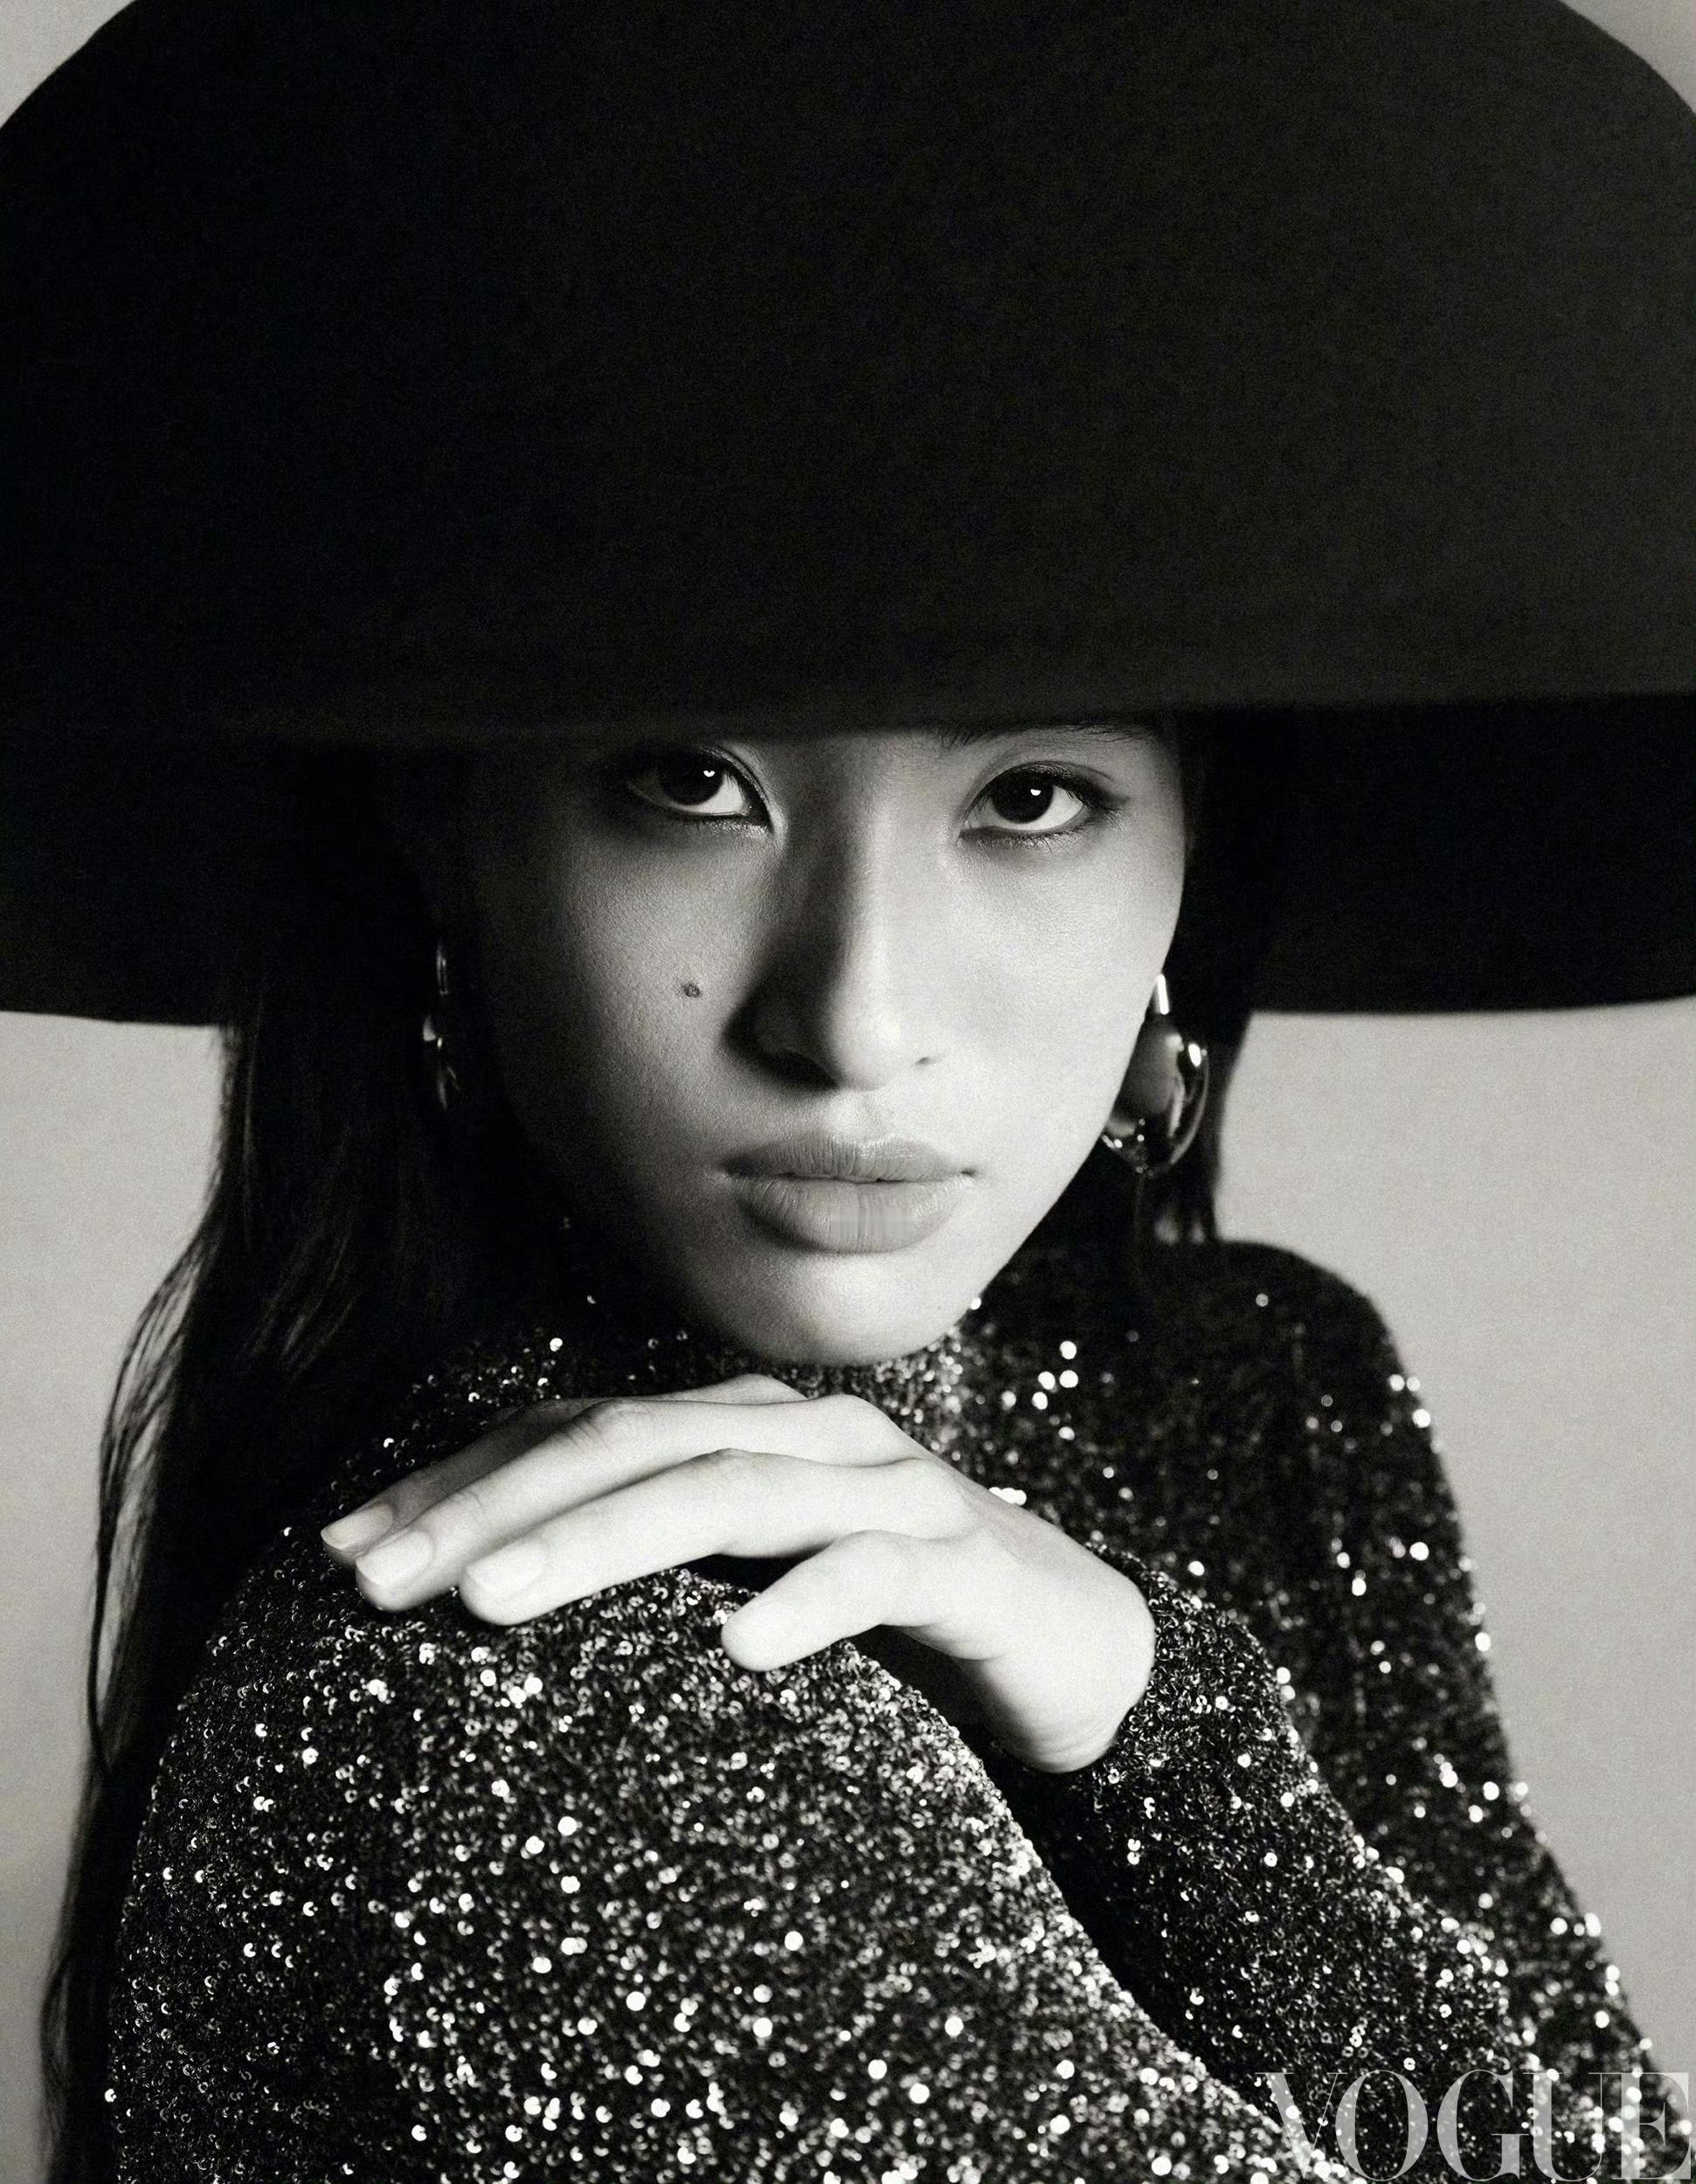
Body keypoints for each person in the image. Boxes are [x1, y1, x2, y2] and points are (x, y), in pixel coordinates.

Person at [3, 3, 1691, 2180]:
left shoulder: (1263, 1401)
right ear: (448, 840)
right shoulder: (534, 1675)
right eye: (688, 783)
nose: (856, 1017)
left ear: (1193, 855)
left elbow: (1577, 2144)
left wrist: (1147, 1705)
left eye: (1031, 796)